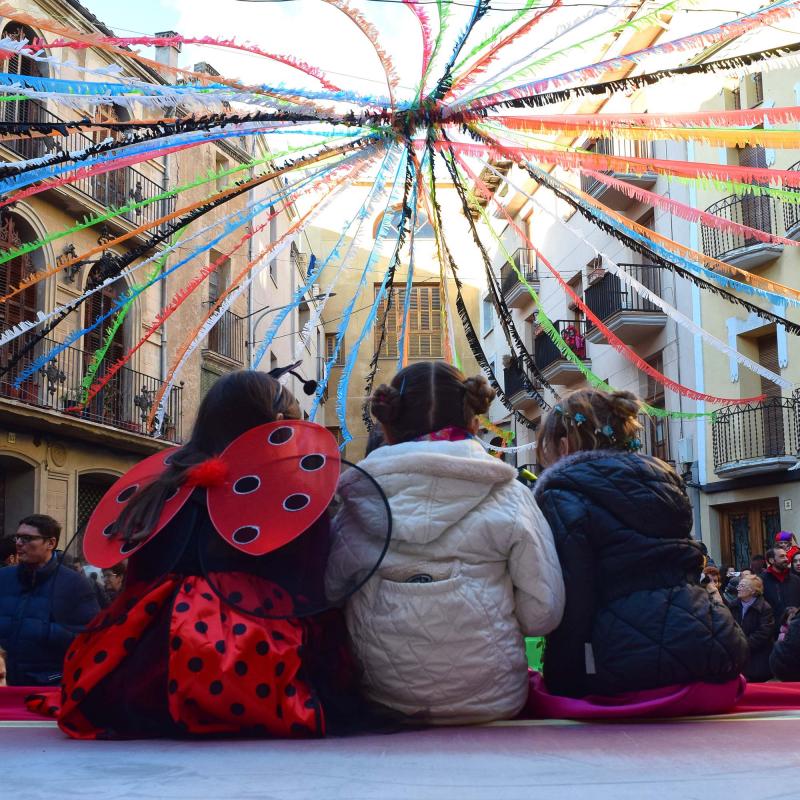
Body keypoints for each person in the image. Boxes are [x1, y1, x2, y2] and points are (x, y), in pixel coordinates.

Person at [56, 370, 369, 740]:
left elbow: (138, 576)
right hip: (251, 653)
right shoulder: (289, 487)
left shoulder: (161, 487)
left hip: (145, 651)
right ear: (275, 423)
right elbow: (311, 580)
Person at [327, 361, 565, 725]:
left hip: (384, 697)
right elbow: (542, 613)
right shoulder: (509, 495)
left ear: (387, 424)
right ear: (474, 421)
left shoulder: (358, 500)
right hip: (494, 696)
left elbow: (331, 590)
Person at [533, 389, 747, 700]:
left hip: (631, 661)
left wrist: (561, 685)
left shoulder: (563, 491)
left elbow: (574, 598)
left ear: (564, 445)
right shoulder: (665, 480)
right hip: (716, 644)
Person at [0, 515, 99, 685]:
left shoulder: (75, 584)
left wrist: (43, 630)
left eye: (28, 538)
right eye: (18, 537)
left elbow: (90, 639)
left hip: (49, 687)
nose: (18, 543)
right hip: (6, 685)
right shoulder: (3, 578)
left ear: (51, 543)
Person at [726, 575, 775, 683]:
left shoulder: (765, 608)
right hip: (737, 656)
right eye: (739, 585)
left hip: (758, 657)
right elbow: (728, 626)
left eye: (742, 586)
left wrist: (744, 645)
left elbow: (764, 633)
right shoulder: (733, 605)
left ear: (753, 591)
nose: (738, 588)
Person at [761, 547, 800, 629]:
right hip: (771, 630)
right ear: (771, 560)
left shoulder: (796, 580)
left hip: (795, 628)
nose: (786, 559)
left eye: (786, 556)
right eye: (782, 556)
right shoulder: (761, 581)